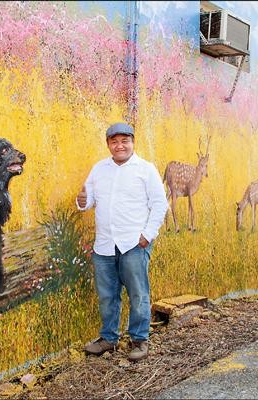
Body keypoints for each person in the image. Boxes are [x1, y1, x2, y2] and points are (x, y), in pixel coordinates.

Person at [76, 122, 168, 362]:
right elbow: (88, 202)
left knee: (138, 294)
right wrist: (82, 200)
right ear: (108, 145)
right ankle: (109, 338)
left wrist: (147, 235)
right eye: (114, 142)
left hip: (133, 244)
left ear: (132, 142)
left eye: (124, 141)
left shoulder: (146, 169)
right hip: (104, 245)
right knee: (107, 295)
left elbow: (160, 204)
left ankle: (139, 339)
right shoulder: (99, 169)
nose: (120, 146)